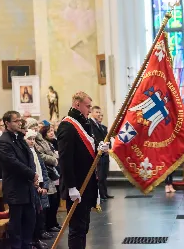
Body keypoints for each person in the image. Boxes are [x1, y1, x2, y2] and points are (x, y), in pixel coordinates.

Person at [57, 91, 109, 249]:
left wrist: (99, 148)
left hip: (86, 185)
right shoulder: (68, 125)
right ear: (77, 104)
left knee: (83, 227)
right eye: (88, 106)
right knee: (76, 228)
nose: (89, 109)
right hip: (77, 185)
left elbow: (86, 149)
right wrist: (71, 186)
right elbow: (65, 159)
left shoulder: (84, 123)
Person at [0, 111, 37, 249]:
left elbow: (29, 157)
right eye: (16, 121)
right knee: (17, 224)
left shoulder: (19, 137)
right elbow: (13, 163)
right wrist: (31, 175)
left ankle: (27, 245)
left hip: (27, 186)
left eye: (20, 120)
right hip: (15, 188)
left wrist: (33, 173)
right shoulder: (3, 142)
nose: (20, 123)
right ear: (7, 123)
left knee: (30, 220)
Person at [25, 129, 49, 249]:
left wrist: (44, 185)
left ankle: (37, 238)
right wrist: (36, 185)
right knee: (33, 215)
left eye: (34, 139)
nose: (32, 141)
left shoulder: (35, 152)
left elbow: (42, 169)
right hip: (33, 186)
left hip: (39, 184)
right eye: (29, 139)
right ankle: (33, 240)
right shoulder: (26, 153)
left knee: (40, 213)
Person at [89, 106, 113, 201]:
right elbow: (95, 139)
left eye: (100, 113)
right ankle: (100, 195)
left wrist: (108, 149)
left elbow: (107, 139)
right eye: (97, 112)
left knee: (104, 175)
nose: (99, 115)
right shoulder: (90, 125)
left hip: (105, 153)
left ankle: (104, 193)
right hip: (98, 153)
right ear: (92, 112)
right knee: (99, 175)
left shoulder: (103, 127)